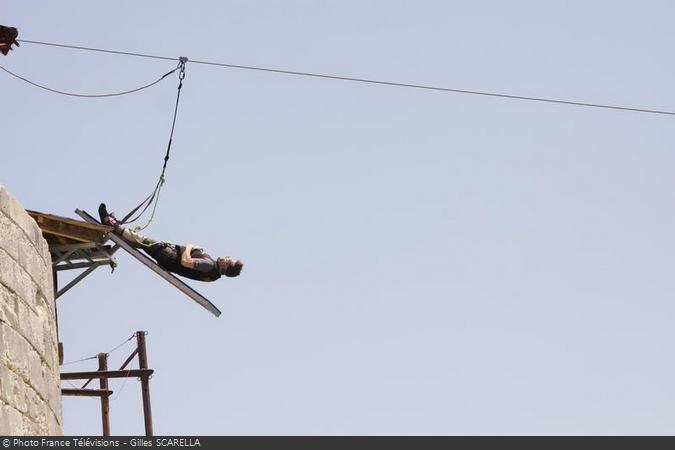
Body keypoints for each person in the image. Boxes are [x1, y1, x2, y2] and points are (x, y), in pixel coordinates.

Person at [98, 203, 243, 282]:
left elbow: (186, 262)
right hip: (171, 258)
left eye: (229, 259)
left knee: (142, 240)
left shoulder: (210, 265)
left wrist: (191, 246)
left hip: (170, 258)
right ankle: (116, 226)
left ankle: (111, 223)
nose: (227, 256)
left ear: (225, 265)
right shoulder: (213, 274)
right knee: (139, 243)